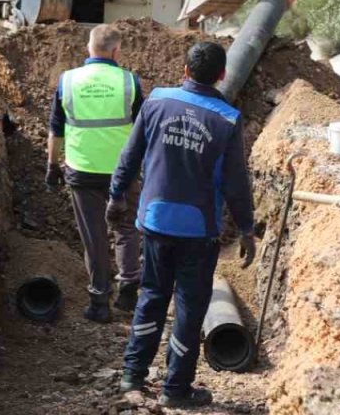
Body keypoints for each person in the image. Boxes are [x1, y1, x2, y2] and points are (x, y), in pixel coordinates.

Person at [109, 42, 256, 408]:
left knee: (152, 296)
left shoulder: (157, 101)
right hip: (198, 231)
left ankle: (132, 375)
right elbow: (235, 182)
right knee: (190, 307)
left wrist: (116, 195)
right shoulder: (226, 119)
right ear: (222, 75)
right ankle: (175, 389)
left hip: (156, 221)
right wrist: (247, 228)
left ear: (185, 70)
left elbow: (130, 154)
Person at [46, 24, 145, 322]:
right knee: (126, 228)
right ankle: (128, 288)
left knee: (94, 236)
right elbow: (143, 129)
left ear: (88, 48)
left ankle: (99, 302)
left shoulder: (68, 81)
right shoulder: (129, 82)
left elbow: (55, 130)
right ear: (116, 51)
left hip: (82, 170)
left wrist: (52, 165)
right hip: (123, 172)